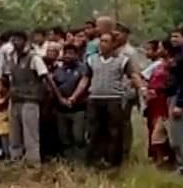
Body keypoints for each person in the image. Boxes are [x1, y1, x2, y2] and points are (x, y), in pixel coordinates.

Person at [85, 26, 145, 169]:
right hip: (95, 98)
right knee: (95, 130)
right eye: (101, 41)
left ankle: (112, 161)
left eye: (106, 41)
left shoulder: (123, 60)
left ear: (113, 44)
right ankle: (95, 159)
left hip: (114, 99)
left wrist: (142, 88)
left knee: (114, 131)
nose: (102, 44)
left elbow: (133, 75)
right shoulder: (92, 59)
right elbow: (85, 78)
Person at [5, 31, 47, 167]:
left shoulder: (34, 58)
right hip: (15, 98)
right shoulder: (11, 57)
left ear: (25, 41)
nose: (15, 43)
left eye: (18, 40)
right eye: (13, 40)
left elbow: (45, 77)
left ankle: (33, 161)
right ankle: (16, 159)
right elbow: (8, 77)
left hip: (30, 98)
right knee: (14, 132)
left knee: (30, 133)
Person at [51, 42, 90, 162]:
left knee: (78, 137)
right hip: (61, 109)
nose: (68, 56)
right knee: (64, 138)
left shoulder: (83, 68)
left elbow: (83, 84)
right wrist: (60, 100)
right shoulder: (59, 70)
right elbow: (54, 86)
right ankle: (68, 161)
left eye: (71, 53)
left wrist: (73, 98)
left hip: (78, 108)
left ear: (77, 55)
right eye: (66, 53)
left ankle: (80, 162)